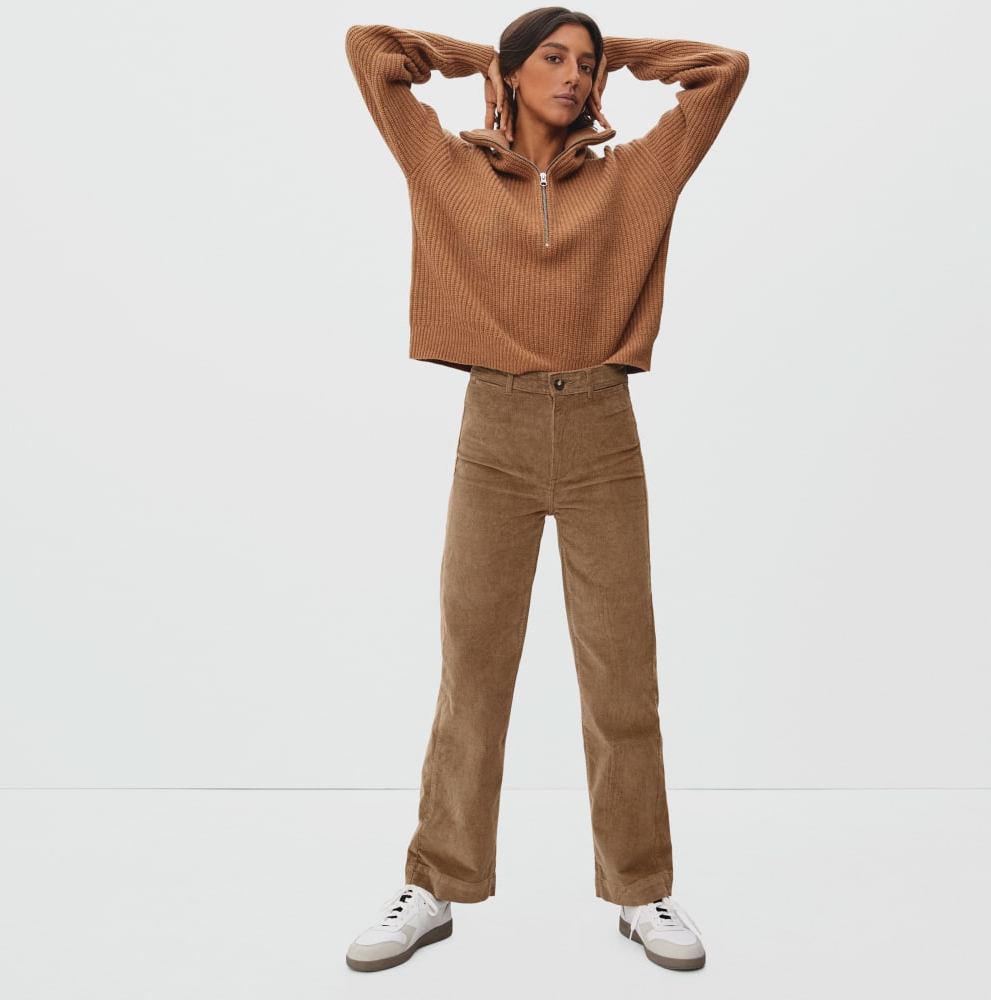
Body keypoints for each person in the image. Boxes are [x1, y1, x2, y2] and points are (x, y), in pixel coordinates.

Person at [343, 6, 748, 974]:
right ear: (515, 71)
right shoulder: (445, 166)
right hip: (495, 431)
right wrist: (476, 59)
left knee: (621, 676)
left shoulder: (635, 174)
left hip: (604, 428)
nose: (574, 76)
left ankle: (640, 889)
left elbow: (723, 70)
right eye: (554, 59)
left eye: (587, 64)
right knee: (472, 672)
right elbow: (369, 52)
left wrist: (621, 60)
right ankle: (436, 884)